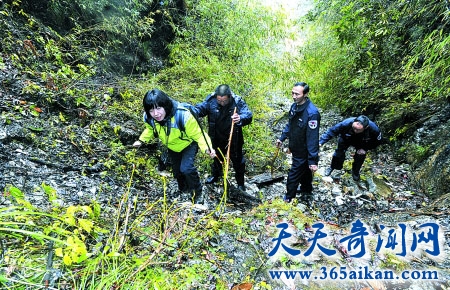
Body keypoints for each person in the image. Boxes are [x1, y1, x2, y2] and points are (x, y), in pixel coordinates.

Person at [132, 89, 216, 204]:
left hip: (188, 143)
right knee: (177, 172)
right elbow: (150, 130)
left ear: (165, 106)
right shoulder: (149, 118)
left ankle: (197, 192)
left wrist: (207, 148)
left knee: (186, 168)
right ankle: (184, 190)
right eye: (151, 110)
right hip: (172, 146)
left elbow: (198, 134)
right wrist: (141, 140)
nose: (156, 114)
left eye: (158, 108)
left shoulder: (183, 116)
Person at [194, 84, 253, 192]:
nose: (221, 103)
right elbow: (201, 108)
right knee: (217, 158)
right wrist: (194, 111)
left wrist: (240, 118)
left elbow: (248, 114)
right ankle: (216, 176)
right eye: (219, 100)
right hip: (216, 136)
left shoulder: (237, 101)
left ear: (229, 97)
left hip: (234, 138)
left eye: (224, 101)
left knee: (238, 161)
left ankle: (240, 183)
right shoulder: (211, 101)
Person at [276, 82, 321, 204]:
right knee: (305, 170)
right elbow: (290, 125)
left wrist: (313, 160)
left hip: (304, 149)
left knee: (294, 174)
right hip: (295, 146)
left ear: (305, 94)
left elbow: (313, 138)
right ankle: (307, 188)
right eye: (292, 93)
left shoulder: (312, 113)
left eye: (297, 94)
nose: (294, 96)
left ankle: (288, 197)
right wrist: (282, 138)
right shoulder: (294, 106)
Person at [319, 115, 383, 181]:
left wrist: (365, 149)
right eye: (354, 128)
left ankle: (355, 171)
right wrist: (321, 142)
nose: (355, 130)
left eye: (358, 129)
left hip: (362, 142)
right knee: (339, 153)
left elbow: (378, 142)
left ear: (366, 127)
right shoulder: (346, 123)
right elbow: (331, 131)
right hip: (346, 138)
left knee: (360, 155)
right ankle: (334, 167)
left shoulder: (374, 130)